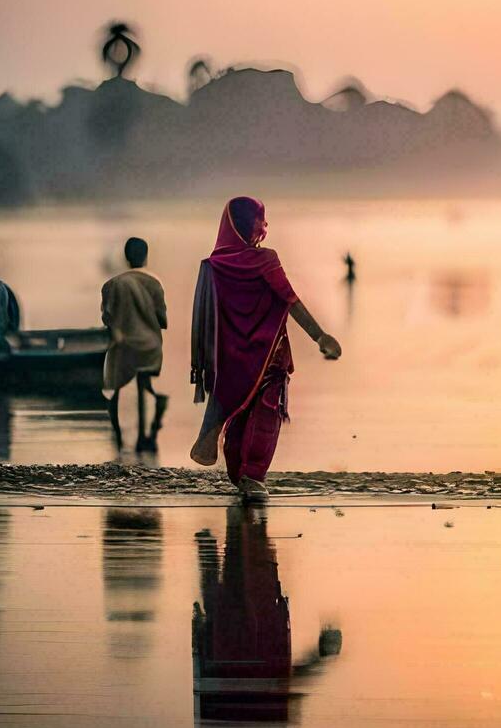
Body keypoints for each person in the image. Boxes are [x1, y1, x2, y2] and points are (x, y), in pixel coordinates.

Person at [190, 197, 342, 503]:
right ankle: (252, 477)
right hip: (269, 358)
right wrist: (320, 336)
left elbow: (207, 317)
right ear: (245, 224)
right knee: (265, 417)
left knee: (238, 416)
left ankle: (240, 476)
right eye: (261, 219)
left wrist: (207, 362)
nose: (265, 226)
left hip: (230, 361)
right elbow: (289, 299)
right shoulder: (265, 259)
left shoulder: (215, 266)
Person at [101, 237, 169, 451]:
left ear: (126, 257)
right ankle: (146, 432)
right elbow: (162, 320)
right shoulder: (154, 283)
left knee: (116, 389)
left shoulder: (112, 284)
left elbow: (107, 318)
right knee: (145, 385)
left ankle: (118, 437)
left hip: (124, 346)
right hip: (149, 347)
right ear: (146, 256)